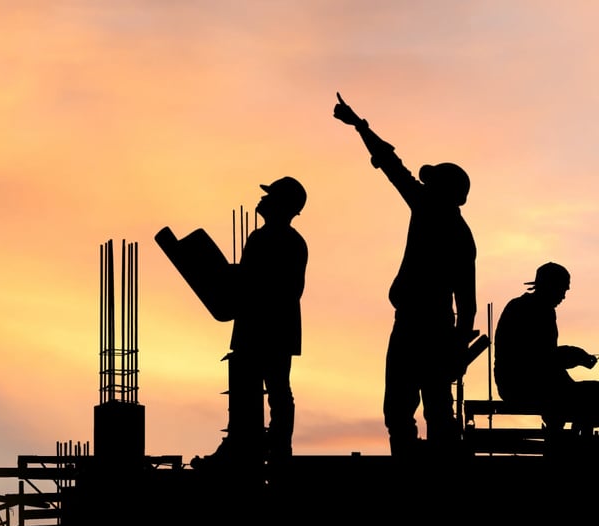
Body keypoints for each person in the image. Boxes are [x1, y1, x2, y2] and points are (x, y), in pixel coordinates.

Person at [333, 92, 478, 458]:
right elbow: (469, 304)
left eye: (432, 184)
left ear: (444, 192)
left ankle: (413, 471)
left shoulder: (436, 216)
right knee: (421, 410)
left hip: (421, 327)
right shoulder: (453, 229)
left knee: (412, 411)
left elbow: (392, 166)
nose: (425, 186)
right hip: (431, 327)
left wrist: (360, 127)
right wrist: (457, 347)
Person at [192, 176, 308, 476]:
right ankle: (249, 445)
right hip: (267, 327)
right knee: (262, 390)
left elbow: (286, 288)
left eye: (270, 196)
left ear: (283, 205)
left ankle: (270, 448)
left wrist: (241, 282)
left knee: (275, 390)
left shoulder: (278, 241)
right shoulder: (275, 240)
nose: (263, 200)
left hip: (266, 327)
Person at [493, 262, 599, 435]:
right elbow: (541, 360)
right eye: (562, 290)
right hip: (522, 385)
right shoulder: (534, 311)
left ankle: (567, 437)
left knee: (589, 393)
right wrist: (575, 356)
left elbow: (547, 360)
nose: (563, 296)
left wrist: (572, 357)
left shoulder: (526, 307)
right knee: (592, 395)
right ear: (551, 287)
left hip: (521, 383)